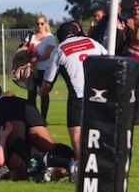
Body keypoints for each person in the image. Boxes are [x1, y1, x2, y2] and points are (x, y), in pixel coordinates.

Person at [39, 22, 107, 156]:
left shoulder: (60, 50)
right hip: (100, 92)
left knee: (76, 132)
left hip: (78, 96)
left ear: (60, 37)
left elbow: (47, 84)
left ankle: (82, 165)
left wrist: (40, 92)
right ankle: (102, 160)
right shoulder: (92, 42)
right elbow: (110, 60)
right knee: (100, 128)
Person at [20, 14, 56, 120]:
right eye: (37, 23)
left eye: (41, 23)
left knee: (44, 93)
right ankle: (33, 117)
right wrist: (25, 53)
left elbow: (47, 54)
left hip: (44, 69)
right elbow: (24, 48)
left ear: (45, 24)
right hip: (31, 69)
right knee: (31, 94)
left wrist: (36, 59)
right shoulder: (31, 36)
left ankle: (43, 118)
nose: (39, 25)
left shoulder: (49, 37)